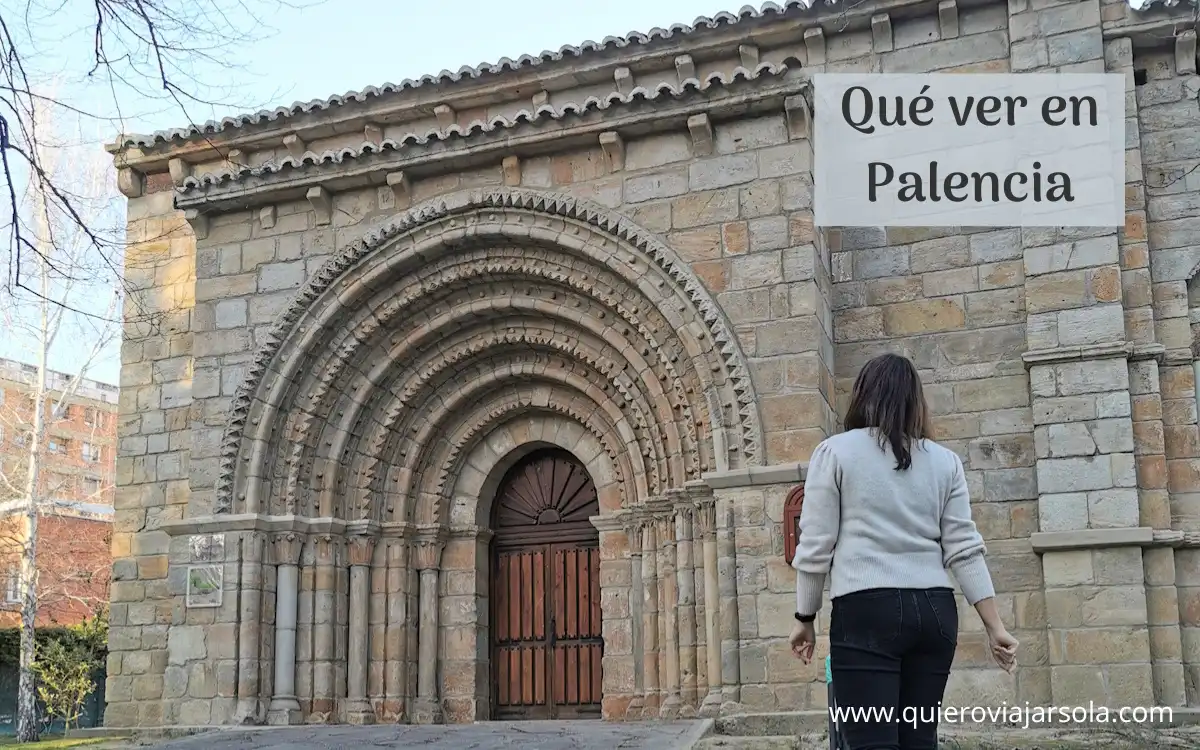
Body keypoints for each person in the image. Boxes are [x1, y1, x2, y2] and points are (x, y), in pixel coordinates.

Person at [788, 352, 1019, 750]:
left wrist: (804, 617)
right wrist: (994, 626)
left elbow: (815, 544)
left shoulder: (835, 452)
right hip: (935, 613)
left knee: (869, 743)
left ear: (863, 395)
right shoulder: (945, 462)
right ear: (916, 401)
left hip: (865, 611)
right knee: (919, 742)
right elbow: (963, 548)